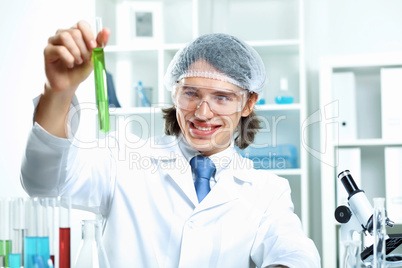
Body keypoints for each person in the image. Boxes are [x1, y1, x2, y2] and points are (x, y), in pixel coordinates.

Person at [21, 21, 321, 267]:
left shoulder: (267, 190)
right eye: (191, 93)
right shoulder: (123, 156)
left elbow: (294, 254)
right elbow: (45, 184)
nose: (203, 113)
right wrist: (58, 91)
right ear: (174, 91)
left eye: (222, 97)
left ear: (248, 103)